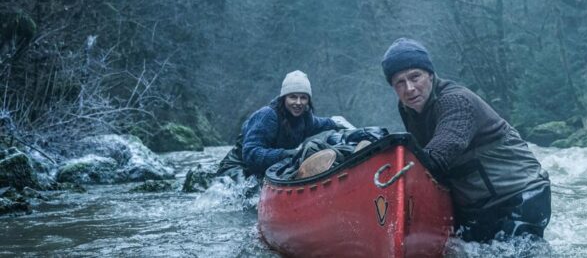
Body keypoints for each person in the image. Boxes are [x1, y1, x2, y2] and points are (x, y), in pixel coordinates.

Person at [381, 38, 552, 242]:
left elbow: (436, 158)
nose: (409, 88)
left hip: (519, 195)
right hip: (479, 205)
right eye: (400, 82)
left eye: (415, 77)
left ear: (430, 74)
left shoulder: (456, 101)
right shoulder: (408, 108)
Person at [217, 70, 350, 180]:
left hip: (267, 169)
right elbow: (251, 154)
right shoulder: (267, 116)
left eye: (303, 97)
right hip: (238, 168)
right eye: (293, 96)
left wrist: (336, 123)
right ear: (284, 98)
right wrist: (290, 154)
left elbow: (320, 123)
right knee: (250, 195)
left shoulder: (305, 117)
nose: (298, 102)